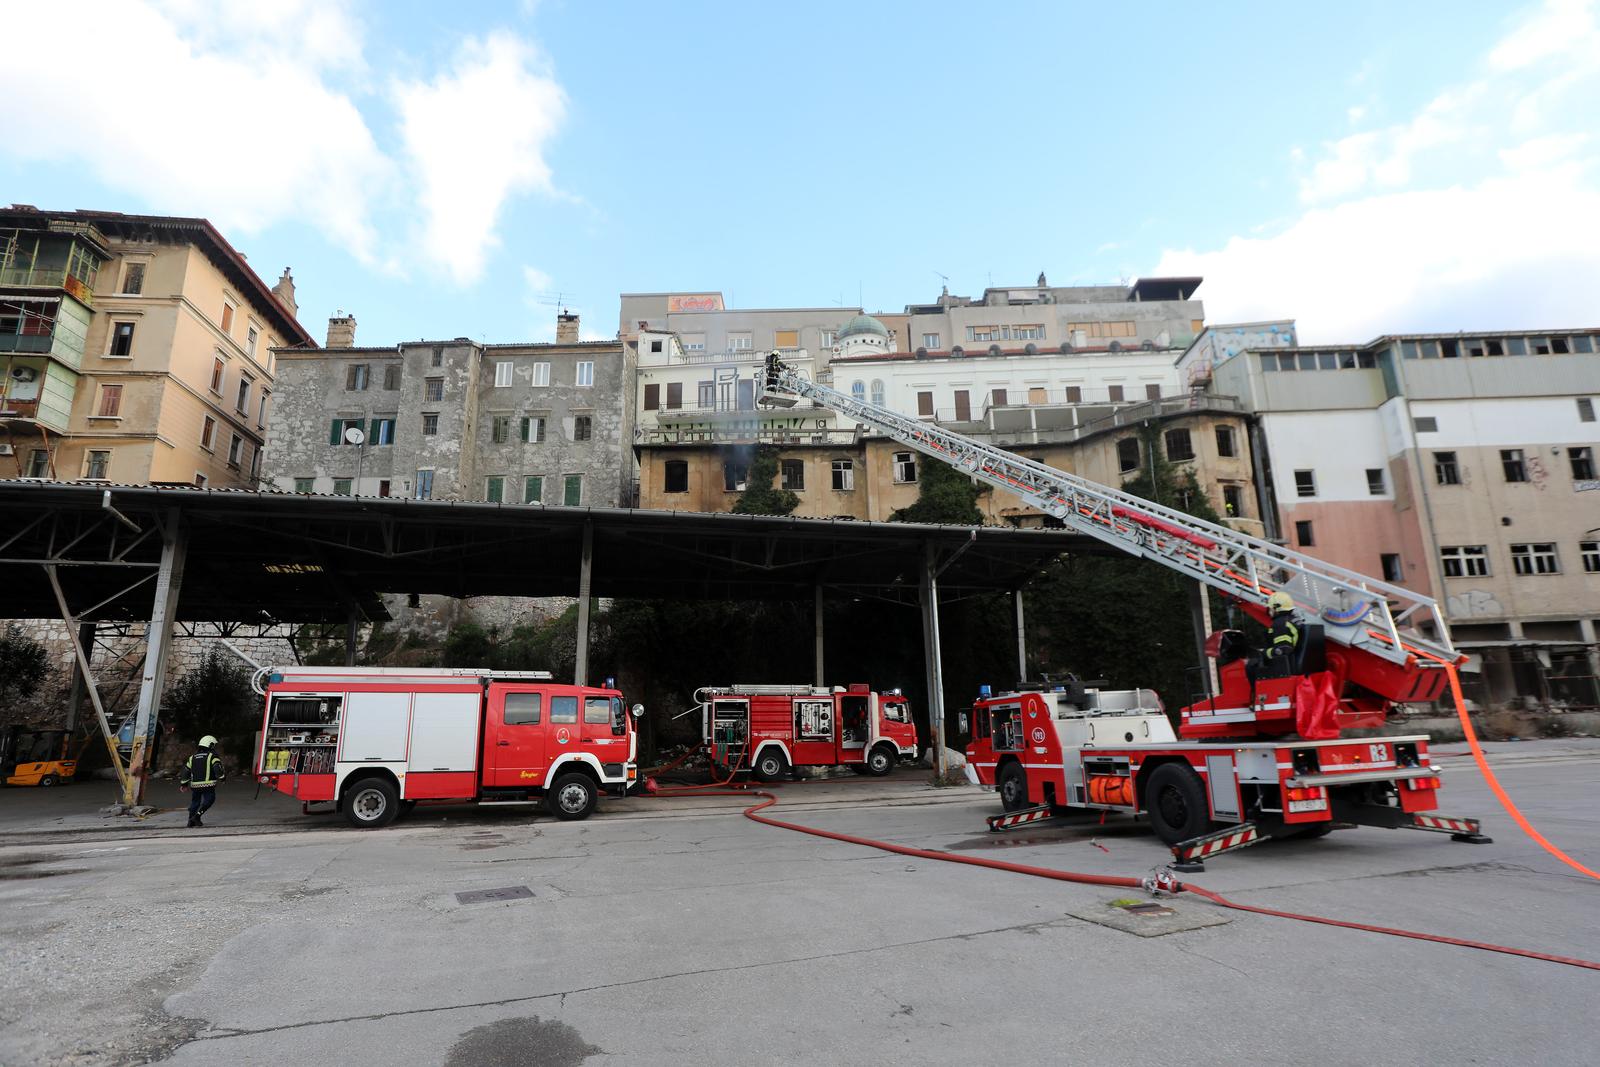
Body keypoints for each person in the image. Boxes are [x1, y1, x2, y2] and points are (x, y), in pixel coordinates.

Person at [179, 735, 225, 828]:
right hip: (208, 785)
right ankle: (197, 816)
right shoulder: (212, 757)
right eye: (214, 745)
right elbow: (217, 769)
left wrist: (184, 784)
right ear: (210, 745)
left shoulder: (192, 757)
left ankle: (190, 820)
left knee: (195, 802)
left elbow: (186, 771)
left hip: (195, 786)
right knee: (209, 800)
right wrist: (222, 778)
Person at [1260, 591, 1302, 678]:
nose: (1269, 611)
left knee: (1251, 666)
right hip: (1296, 662)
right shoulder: (1293, 619)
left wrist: (1262, 653)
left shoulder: (1280, 624)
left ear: (1276, 608)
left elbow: (1282, 650)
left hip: (1285, 668)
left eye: (1270, 608)